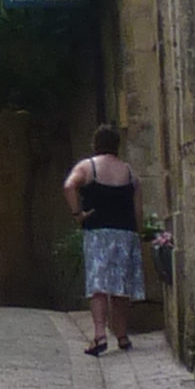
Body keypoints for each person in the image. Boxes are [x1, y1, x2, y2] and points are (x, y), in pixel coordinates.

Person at [66, 123, 144, 353]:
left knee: (98, 284)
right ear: (117, 146)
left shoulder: (87, 168)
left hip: (98, 232)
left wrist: (78, 214)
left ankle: (100, 335)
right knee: (120, 286)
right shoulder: (130, 172)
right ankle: (122, 335)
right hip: (125, 232)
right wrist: (137, 233)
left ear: (95, 144)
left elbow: (69, 186)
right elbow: (137, 208)